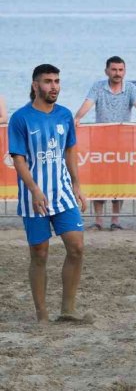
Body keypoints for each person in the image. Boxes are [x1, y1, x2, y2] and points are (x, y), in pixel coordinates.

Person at [8, 64, 89, 324]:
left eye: (56, 81)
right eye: (47, 81)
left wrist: (76, 184)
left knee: (76, 248)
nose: (54, 86)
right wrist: (34, 189)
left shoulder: (64, 115)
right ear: (35, 86)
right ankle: (42, 315)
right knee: (40, 254)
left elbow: (69, 151)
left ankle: (68, 310)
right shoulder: (20, 118)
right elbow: (18, 159)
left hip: (63, 193)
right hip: (35, 197)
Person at [74, 56, 136, 231]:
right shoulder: (98, 87)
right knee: (100, 180)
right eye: (114, 70)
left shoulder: (130, 88)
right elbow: (87, 104)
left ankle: (115, 220)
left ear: (124, 71)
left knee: (119, 181)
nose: (117, 73)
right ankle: (98, 220)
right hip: (100, 142)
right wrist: (78, 117)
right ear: (107, 71)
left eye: (120, 70)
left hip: (122, 143)